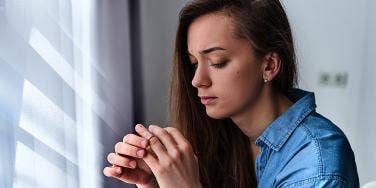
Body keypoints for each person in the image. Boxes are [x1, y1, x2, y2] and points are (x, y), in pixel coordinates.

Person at [103, 0, 359, 187]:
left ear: (269, 65)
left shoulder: (316, 162)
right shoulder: (223, 138)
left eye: (217, 62)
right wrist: (155, 182)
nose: (196, 80)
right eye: (193, 64)